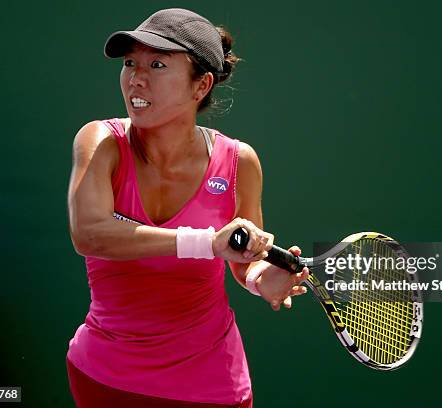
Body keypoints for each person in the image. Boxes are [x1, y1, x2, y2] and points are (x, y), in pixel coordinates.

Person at [65, 8, 309, 408]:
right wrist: (206, 242)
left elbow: (244, 261)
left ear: (201, 87)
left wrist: (264, 278)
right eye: (130, 64)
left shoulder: (238, 161)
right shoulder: (100, 141)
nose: (135, 78)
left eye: (157, 64)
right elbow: (89, 234)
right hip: (104, 377)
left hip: (212, 385)